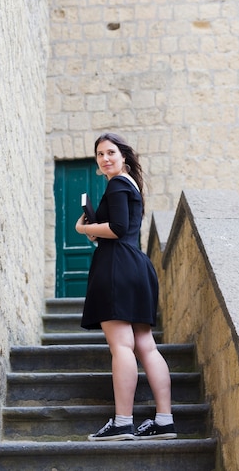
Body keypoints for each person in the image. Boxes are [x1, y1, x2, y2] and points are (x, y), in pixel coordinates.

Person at [75, 132, 177, 441]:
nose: (105, 159)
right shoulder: (131, 185)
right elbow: (124, 228)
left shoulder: (118, 184)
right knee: (145, 344)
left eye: (110, 153)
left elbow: (117, 229)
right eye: (100, 154)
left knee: (122, 345)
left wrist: (84, 228)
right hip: (135, 265)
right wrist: (97, 231)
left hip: (117, 267)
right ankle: (164, 420)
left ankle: (122, 422)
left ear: (124, 156)